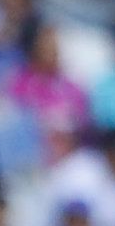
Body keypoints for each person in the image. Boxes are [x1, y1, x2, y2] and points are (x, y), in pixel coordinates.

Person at [5, 24, 89, 165]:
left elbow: (83, 124)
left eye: (55, 49)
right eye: (47, 49)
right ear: (35, 51)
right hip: (30, 155)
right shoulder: (19, 84)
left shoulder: (72, 87)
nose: (53, 53)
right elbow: (12, 121)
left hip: (68, 157)